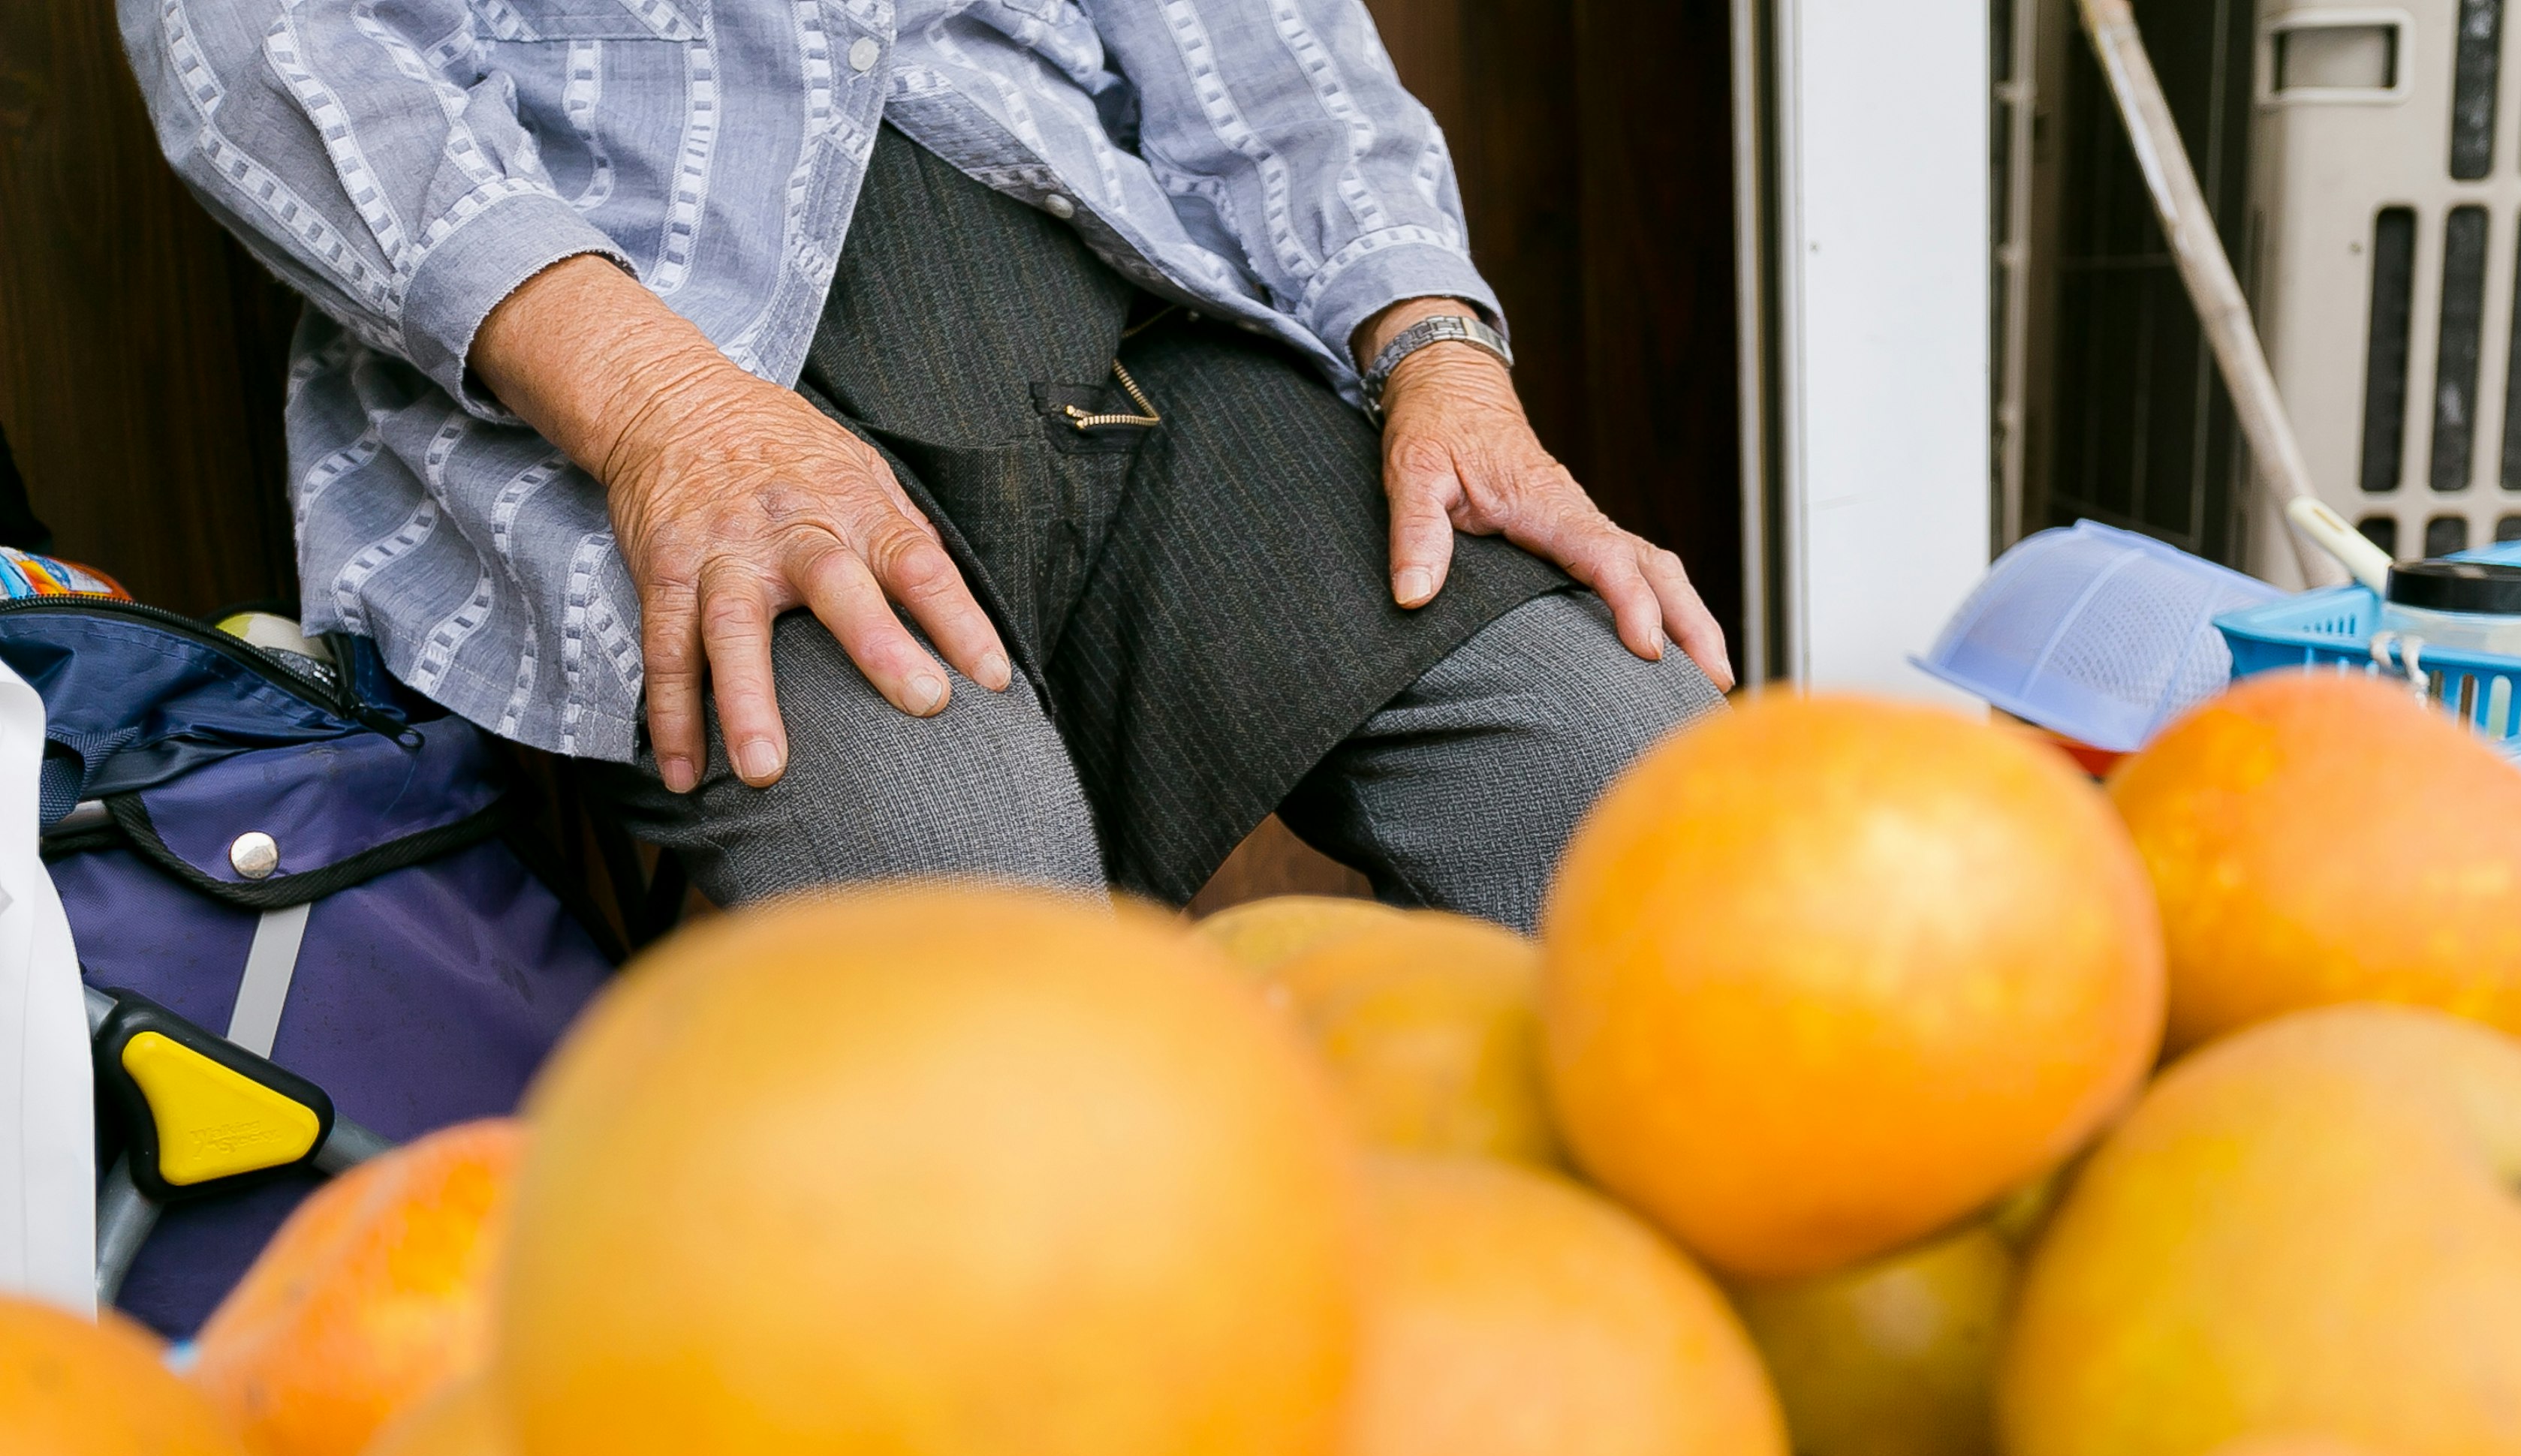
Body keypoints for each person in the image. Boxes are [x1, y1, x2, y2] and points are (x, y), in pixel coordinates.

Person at [121, 0, 1727, 928]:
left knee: (1641, 793)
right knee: (973, 964)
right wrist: (663, 411)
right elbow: (270, 51)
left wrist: (1435, 345)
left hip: (1116, 304)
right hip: (618, 376)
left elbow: (1266, 50)